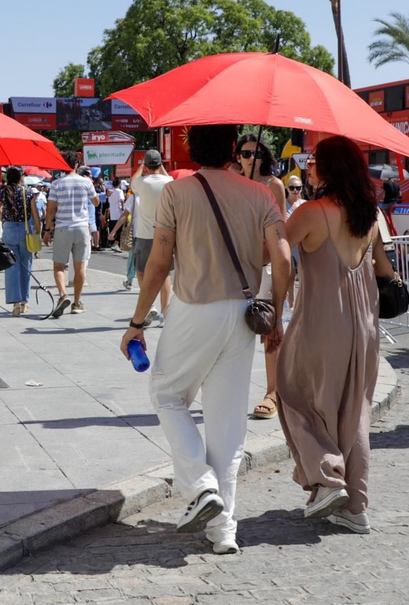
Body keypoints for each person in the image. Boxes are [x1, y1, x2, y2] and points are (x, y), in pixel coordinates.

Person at [121, 124, 293, 556]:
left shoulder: (177, 193)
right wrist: (277, 310)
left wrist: (137, 321)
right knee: (228, 427)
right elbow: (284, 259)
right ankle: (224, 532)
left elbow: (159, 264)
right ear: (233, 148)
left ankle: (200, 488)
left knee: (167, 394)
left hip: (194, 308)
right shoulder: (261, 194)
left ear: (191, 150)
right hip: (244, 312)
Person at [278, 136, 393, 534]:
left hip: (322, 316)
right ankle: (356, 505)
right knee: (354, 410)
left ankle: (326, 478)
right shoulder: (371, 213)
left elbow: (272, 251)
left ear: (327, 169)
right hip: (364, 323)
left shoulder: (312, 212)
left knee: (293, 393)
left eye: (313, 163)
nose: (308, 169)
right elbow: (384, 271)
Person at [239, 135, 289, 422]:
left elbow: (280, 227)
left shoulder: (273, 185)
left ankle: (273, 392)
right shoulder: (234, 183)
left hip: (265, 262)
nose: (251, 158)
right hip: (238, 265)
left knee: (269, 327)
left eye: (256, 153)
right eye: (245, 153)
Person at [44, 165, 97, 317]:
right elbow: (96, 202)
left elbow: (51, 209)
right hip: (81, 228)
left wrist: (47, 230)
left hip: (62, 228)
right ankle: (77, 303)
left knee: (59, 267)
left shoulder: (56, 184)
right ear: (75, 165)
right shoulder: (86, 182)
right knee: (79, 267)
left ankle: (63, 295)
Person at [130, 150, 175, 322]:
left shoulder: (142, 182)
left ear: (146, 165)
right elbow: (168, 177)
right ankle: (165, 311)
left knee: (141, 271)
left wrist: (142, 167)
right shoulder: (169, 182)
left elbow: (133, 182)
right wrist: (162, 168)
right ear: (160, 164)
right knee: (165, 273)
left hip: (145, 234)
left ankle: (151, 305)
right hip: (165, 233)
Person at [0, 168, 38, 317]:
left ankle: (15, 304)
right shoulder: (28, 192)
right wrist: (38, 229)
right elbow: (34, 213)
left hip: (9, 230)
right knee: (26, 266)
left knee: (11, 267)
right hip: (25, 230)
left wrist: (4, 214)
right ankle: (25, 302)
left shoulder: (3, 191)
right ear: (21, 177)